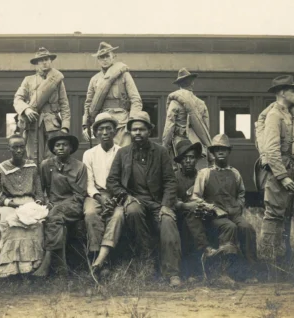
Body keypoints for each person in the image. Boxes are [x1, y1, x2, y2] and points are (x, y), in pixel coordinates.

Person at [106, 111, 181, 287]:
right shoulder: (123, 153)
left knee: (168, 221)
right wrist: (126, 197)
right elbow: (112, 181)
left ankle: (172, 273)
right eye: (134, 130)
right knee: (132, 211)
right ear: (130, 132)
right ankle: (147, 262)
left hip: (156, 202)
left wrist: (165, 205)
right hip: (134, 199)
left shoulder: (161, 152)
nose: (137, 133)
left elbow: (170, 181)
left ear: (149, 131)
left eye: (141, 129)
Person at [192, 134, 257, 284]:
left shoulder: (235, 173)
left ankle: (249, 271)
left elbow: (241, 193)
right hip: (214, 217)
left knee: (247, 228)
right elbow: (195, 197)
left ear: (229, 152)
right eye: (217, 150)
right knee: (230, 228)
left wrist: (239, 206)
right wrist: (211, 208)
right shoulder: (205, 174)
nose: (220, 152)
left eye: (224, 149)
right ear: (212, 153)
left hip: (233, 213)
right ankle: (224, 271)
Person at [258, 75, 294, 270]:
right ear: (282, 92)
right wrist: (282, 177)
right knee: (273, 215)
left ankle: (282, 260)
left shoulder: (292, 113)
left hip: (291, 168)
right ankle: (267, 262)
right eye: (293, 90)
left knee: (286, 214)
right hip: (279, 171)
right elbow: (271, 150)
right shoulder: (275, 115)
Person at [0, 135, 46, 278]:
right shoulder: (2, 169)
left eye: (21, 147)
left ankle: (31, 267)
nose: (19, 150)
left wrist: (35, 205)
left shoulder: (32, 167)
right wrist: (15, 205)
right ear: (9, 149)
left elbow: (39, 193)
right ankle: (11, 268)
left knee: (35, 223)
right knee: (11, 221)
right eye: (15, 147)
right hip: (9, 204)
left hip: (29, 202)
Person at [34, 132, 87, 277]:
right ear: (53, 149)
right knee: (58, 223)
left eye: (65, 145)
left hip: (73, 205)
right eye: (57, 145)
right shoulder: (46, 165)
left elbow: (80, 195)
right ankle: (61, 268)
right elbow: (42, 189)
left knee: (55, 215)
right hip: (53, 206)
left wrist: (58, 206)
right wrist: (44, 202)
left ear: (71, 148)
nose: (61, 148)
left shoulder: (80, 167)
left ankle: (46, 263)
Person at [82, 113, 124, 270]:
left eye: (108, 129)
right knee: (91, 213)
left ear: (115, 132)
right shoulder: (89, 154)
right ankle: (95, 255)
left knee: (118, 215)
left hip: (117, 195)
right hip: (96, 194)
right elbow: (89, 183)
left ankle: (104, 257)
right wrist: (100, 198)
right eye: (101, 129)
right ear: (96, 133)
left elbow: (126, 180)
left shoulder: (122, 152)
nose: (105, 133)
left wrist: (115, 198)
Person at [13, 47, 70, 163]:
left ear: (50, 61)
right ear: (37, 63)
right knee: (33, 158)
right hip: (33, 122)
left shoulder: (57, 80)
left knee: (54, 159)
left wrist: (65, 126)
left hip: (52, 125)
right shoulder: (28, 80)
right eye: (41, 60)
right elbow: (17, 99)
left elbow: (64, 104)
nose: (44, 62)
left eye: (47, 59)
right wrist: (26, 109)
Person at [82, 42, 143, 147]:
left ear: (113, 57)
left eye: (107, 56)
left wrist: (132, 121)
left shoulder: (124, 75)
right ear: (98, 60)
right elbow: (88, 104)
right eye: (101, 57)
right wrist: (85, 126)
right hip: (102, 122)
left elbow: (136, 99)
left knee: (123, 155)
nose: (104, 59)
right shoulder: (95, 79)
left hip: (122, 122)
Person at [173, 140, 216, 282]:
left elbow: (209, 197)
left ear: (196, 159)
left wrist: (205, 207)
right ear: (180, 161)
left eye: (191, 157)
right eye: (185, 158)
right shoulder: (174, 177)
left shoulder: (202, 176)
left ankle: (210, 268)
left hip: (200, 215)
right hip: (180, 216)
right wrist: (186, 206)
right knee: (187, 225)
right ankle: (194, 267)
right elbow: (171, 200)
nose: (188, 161)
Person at [162, 68, 211, 166]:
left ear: (179, 84)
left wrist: (164, 147)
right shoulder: (201, 104)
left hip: (180, 143)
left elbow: (169, 127)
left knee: (181, 172)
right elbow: (206, 128)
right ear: (192, 83)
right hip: (198, 145)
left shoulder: (174, 102)